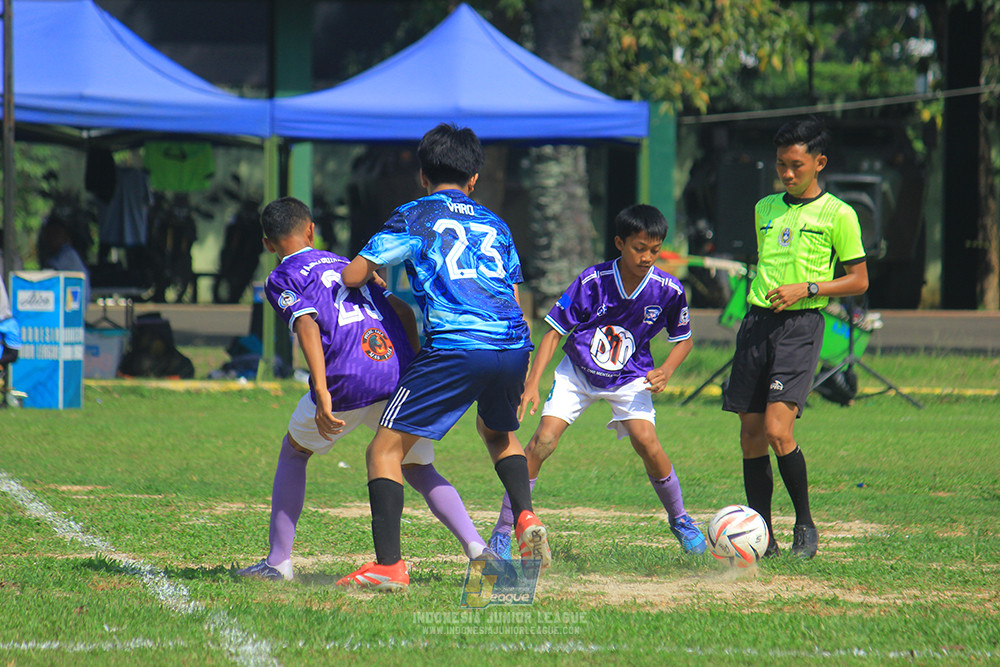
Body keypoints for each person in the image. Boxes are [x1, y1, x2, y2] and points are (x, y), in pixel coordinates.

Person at [236, 196, 497, 581]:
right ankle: (480, 550)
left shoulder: (282, 276)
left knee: (294, 453)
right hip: (394, 375)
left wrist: (321, 390)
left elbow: (306, 323)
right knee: (418, 465)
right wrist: (412, 365)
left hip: (346, 377)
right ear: (311, 229)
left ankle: (278, 563)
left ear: (268, 244)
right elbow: (404, 312)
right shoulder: (348, 265)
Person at [338, 123, 548, 591]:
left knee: (383, 450)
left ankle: (389, 567)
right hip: (513, 344)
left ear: (422, 175)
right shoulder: (496, 223)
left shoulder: (415, 214)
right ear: (473, 179)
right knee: (498, 434)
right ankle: (525, 515)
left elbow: (355, 274)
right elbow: (514, 294)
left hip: (457, 344)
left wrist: (366, 275)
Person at [487, 204, 707, 558]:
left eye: (654, 249)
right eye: (639, 248)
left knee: (647, 441)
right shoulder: (593, 281)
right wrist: (532, 383)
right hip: (578, 373)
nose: (647, 257)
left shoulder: (668, 289)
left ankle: (680, 519)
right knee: (542, 441)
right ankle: (503, 528)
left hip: (630, 377)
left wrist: (666, 370)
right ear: (620, 243)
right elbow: (553, 332)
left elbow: (684, 339)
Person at [722, 117, 868, 559]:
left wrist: (807, 288)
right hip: (756, 325)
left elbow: (858, 280)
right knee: (750, 434)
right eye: (781, 164)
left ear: (819, 163)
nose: (787, 173)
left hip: (802, 327)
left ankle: (805, 523)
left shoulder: (840, 214)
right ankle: (762, 536)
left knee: (776, 430)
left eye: (796, 165)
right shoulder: (765, 208)